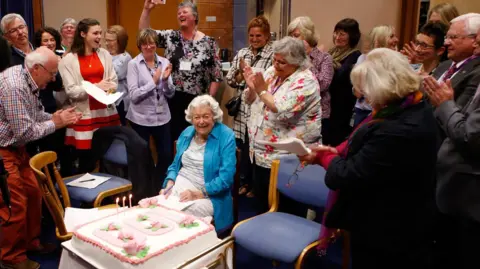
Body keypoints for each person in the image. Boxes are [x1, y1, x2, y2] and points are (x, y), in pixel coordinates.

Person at [299, 48, 438, 269]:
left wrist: (324, 158)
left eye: (366, 90)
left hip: (389, 228)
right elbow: (359, 140)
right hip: (393, 216)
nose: (364, 96)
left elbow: (344, 176)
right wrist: (336, 151)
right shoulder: (410, 106)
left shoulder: (397, 130)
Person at [0, 47, 81, 269]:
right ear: (37, 69)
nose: (54, 79)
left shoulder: (27, 79)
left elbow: (34, 115)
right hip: (4, 151)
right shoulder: (15, 86)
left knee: (34, 193)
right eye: (52, 73)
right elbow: (25, 132)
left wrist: (56, 116)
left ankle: (30, 243)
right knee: (14, 204)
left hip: (17, 149)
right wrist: (57, 123)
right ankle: (11, 259)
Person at [244, 36, 322, 215]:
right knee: (263, 203)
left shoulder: (306, 81)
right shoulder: (273, 71)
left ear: (297, 62)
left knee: (286, 208)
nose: (276, 64)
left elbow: (282, 110)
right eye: (275, 59)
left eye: (282, 62)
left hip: (286, 156)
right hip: (261, 151)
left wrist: (261, 90)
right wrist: (251, 88)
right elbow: (250, 101)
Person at [423, 28, 480, 269]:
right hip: (450, 182)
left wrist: (445, 104)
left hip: (467, 192)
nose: (447, 42)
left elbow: (469, 136)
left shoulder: (474, 72)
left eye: (454, 37)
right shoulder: (447, 65)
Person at [139, 0, 223, 142]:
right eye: (179, 13)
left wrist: (208, 100)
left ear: (195, 16)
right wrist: (146, 10)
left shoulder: (209, 42)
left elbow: (216, 74)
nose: (180, 15)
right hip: (172, 97)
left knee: (196, 140)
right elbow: (144, 34)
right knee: (173, 140)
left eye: (185, 12)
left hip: (197, 100)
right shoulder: (171, 37)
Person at [160, 95, 236, 231]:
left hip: (210, 196)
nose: (201, 121)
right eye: (197, 117)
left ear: (214, 116)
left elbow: (226, 178)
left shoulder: (226, 136)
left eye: (206, 116)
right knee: (159, 206)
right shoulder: (187, 133)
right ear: (191, 118)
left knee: (175, 216)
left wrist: (199, 193)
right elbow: (175, 165)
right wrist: (169, 183)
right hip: (180, 188)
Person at [59, 18, 120, 173]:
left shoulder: (105, 54)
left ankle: (107, 194)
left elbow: (113, 81)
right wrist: (95, 88)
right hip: (84, 116)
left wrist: (108, 91)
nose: (99, 37)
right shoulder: (68, 60)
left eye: (100, 33)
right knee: (87, 162)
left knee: (108, 157)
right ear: (83, 34)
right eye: (95, 33)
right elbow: (71, 91)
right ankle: (87, 196)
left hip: (106, 112)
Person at [226, 15, 273, 198]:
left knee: (257, 147)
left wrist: (251, 80)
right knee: (243, 147)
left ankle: (256, 186)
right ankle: (244, 182)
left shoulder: (272, 55)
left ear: (267, 36)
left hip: (261, 108)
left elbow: (269, 83)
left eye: (258, 36)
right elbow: (230, 79)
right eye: (251, 36)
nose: (254, 39)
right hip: (242, 109)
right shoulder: (242, 53)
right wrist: (240, 71)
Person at [127, 28, 174, 179]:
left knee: (166, 155)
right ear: (139, 45)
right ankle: (145, 188)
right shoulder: (133, 64)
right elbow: (134, 95)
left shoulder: (164, 62)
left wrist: (165, 81)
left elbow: (170, 93)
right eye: (145, 44)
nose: (149, 47)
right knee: (143, 156)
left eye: (152, 43)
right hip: (141, 118)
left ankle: (160, 184)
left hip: (162, 117)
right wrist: (153, 82)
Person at [33, 26, 73, 176]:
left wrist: (55, 69)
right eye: (45, 40)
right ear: (39, 43)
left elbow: (58, 86)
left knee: (62, 150)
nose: (49, 43)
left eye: (52, 40)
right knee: (47, 152)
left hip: (53, 108)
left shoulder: (58, 58)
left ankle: (64, 186)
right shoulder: (35, 60)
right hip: (38, 110)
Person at [287, 16, 334, 142]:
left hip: (316, 116)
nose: (292, 39)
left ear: (307, 36)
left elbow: (323, 85)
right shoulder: (289, 58)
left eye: (296, 35)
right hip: (293, 114)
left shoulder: (324, 58)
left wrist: (305, 59)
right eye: (290, 35)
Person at [430, 13, 480, 110]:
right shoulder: (445, 65)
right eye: (446, 37)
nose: (446, 43)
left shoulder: (476, 72)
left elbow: (459, 113)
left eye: (453, 37)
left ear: (474, 40)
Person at [353, 25, 399, 127]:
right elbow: (358, 93)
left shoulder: (398, 61)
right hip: (363, 112)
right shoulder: (363, 59)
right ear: (379, 40)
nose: (396, 40)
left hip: (387, 113)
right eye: (391, 36)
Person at [326, 18, 362, 146]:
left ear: (352, 36)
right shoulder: (331, 53)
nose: (337, 37)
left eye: (342, 34)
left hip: (342, 110)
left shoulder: (355, 56)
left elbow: (341, 77)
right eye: (336, 32)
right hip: (328, 107)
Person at [105, 25, 132, 125]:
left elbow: (113, 75)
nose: (107, 43)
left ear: (120, 41)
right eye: (106, 40)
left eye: (111, 40)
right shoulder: (106, 54)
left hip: (119, 100)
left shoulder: (125, 57)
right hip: (107, 99)